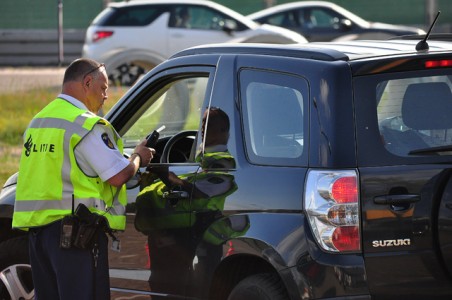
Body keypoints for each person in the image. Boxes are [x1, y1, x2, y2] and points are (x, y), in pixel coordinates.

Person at [11, 58, 154, 300]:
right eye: (104, 88)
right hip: (74, 239)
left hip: (38, 237)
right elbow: (119, 175)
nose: (106, 95)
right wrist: (138, 157)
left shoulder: (39, 121)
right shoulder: (84, 124)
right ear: (87, 82)